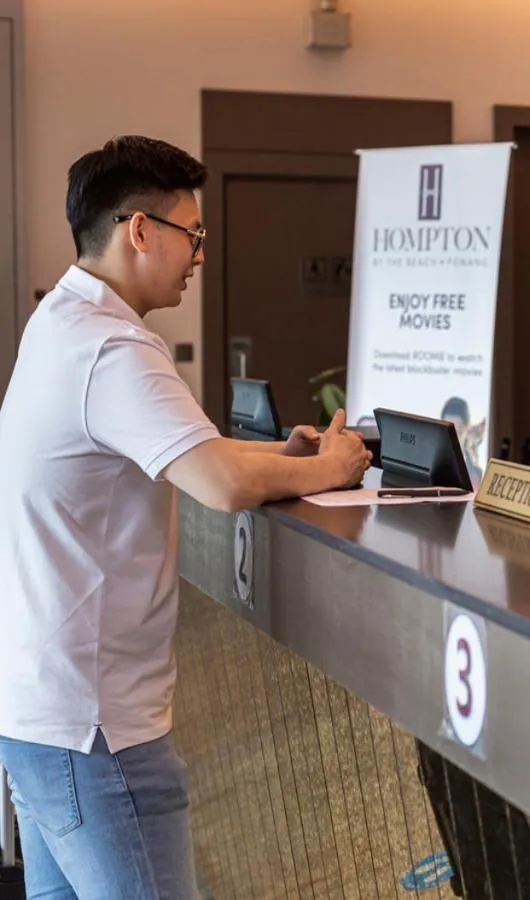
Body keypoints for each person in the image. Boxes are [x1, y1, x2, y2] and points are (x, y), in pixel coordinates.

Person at [0, 135, 371, 898]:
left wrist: (278, 457)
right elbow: (219, 483)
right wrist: (331, 468)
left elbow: (177, 450)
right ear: (140, 230)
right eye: (192, 234)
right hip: (98, 730)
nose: (199, 255)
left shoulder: (61, 322)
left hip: (42, 714)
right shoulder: (113, 348)